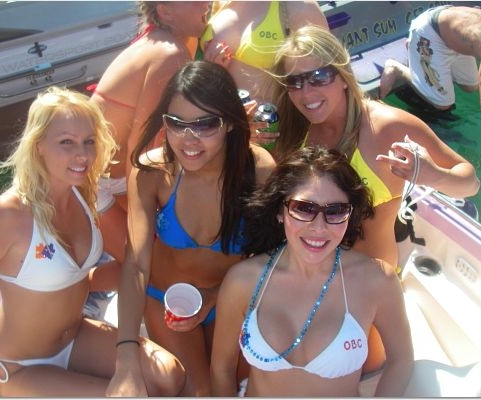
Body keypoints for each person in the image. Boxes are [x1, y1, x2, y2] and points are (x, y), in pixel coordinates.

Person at [0, 87, 185, 397]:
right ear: (38, 146)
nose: (83, 155)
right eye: (67, 143)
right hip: (18, 365)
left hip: (76, 337)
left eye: (89, 141)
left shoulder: (85, 193)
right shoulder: (8, 215)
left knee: (170, 377)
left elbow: (94, 274)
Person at [269, 25, 480, 374]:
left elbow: (469, 181)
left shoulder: (386, 126)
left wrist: (432, 176)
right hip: (306, 279)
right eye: (294, 82)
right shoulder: (295, 130)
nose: (306, 92)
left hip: (366, 290)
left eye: (319, 76)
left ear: (342, 73)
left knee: (364, 375)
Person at [107, 60, 276, 396]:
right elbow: (137, 265)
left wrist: (215, 297)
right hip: (167, 303)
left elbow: (272, 256)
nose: (189, 139)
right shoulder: (152, 172)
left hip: (230, 300)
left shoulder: (258, 171)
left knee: (243, 387)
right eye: (176, 123)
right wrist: (126, 360)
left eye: (205, 124)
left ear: (229, 123)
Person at [211, 145, 414, 396]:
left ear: (350, 215)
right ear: (280, 212)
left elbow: (401, 360)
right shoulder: (242, 280)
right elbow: (221, 368)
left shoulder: (377, 280)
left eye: (335, 211)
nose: (319, 227)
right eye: (304, 208)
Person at [90, 1, 211, 262]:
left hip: (107, 177)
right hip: (92, 181)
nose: (207, 2)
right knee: (148, 264)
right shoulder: (170, 54)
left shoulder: (159, 44)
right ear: (165, 12)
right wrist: (145, 218)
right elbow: (142, 155)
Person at [199, 1, 328, 147]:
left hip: (281, 140)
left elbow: (332, 78)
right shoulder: (208, 6)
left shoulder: (297, 6)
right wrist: (210, 71)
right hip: (231, 140)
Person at [379, 6, 481, 129]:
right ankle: (400, 67)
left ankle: (422, 56)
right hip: (430, 34)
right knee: (442, 103)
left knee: (471, 86)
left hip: (456, 31)